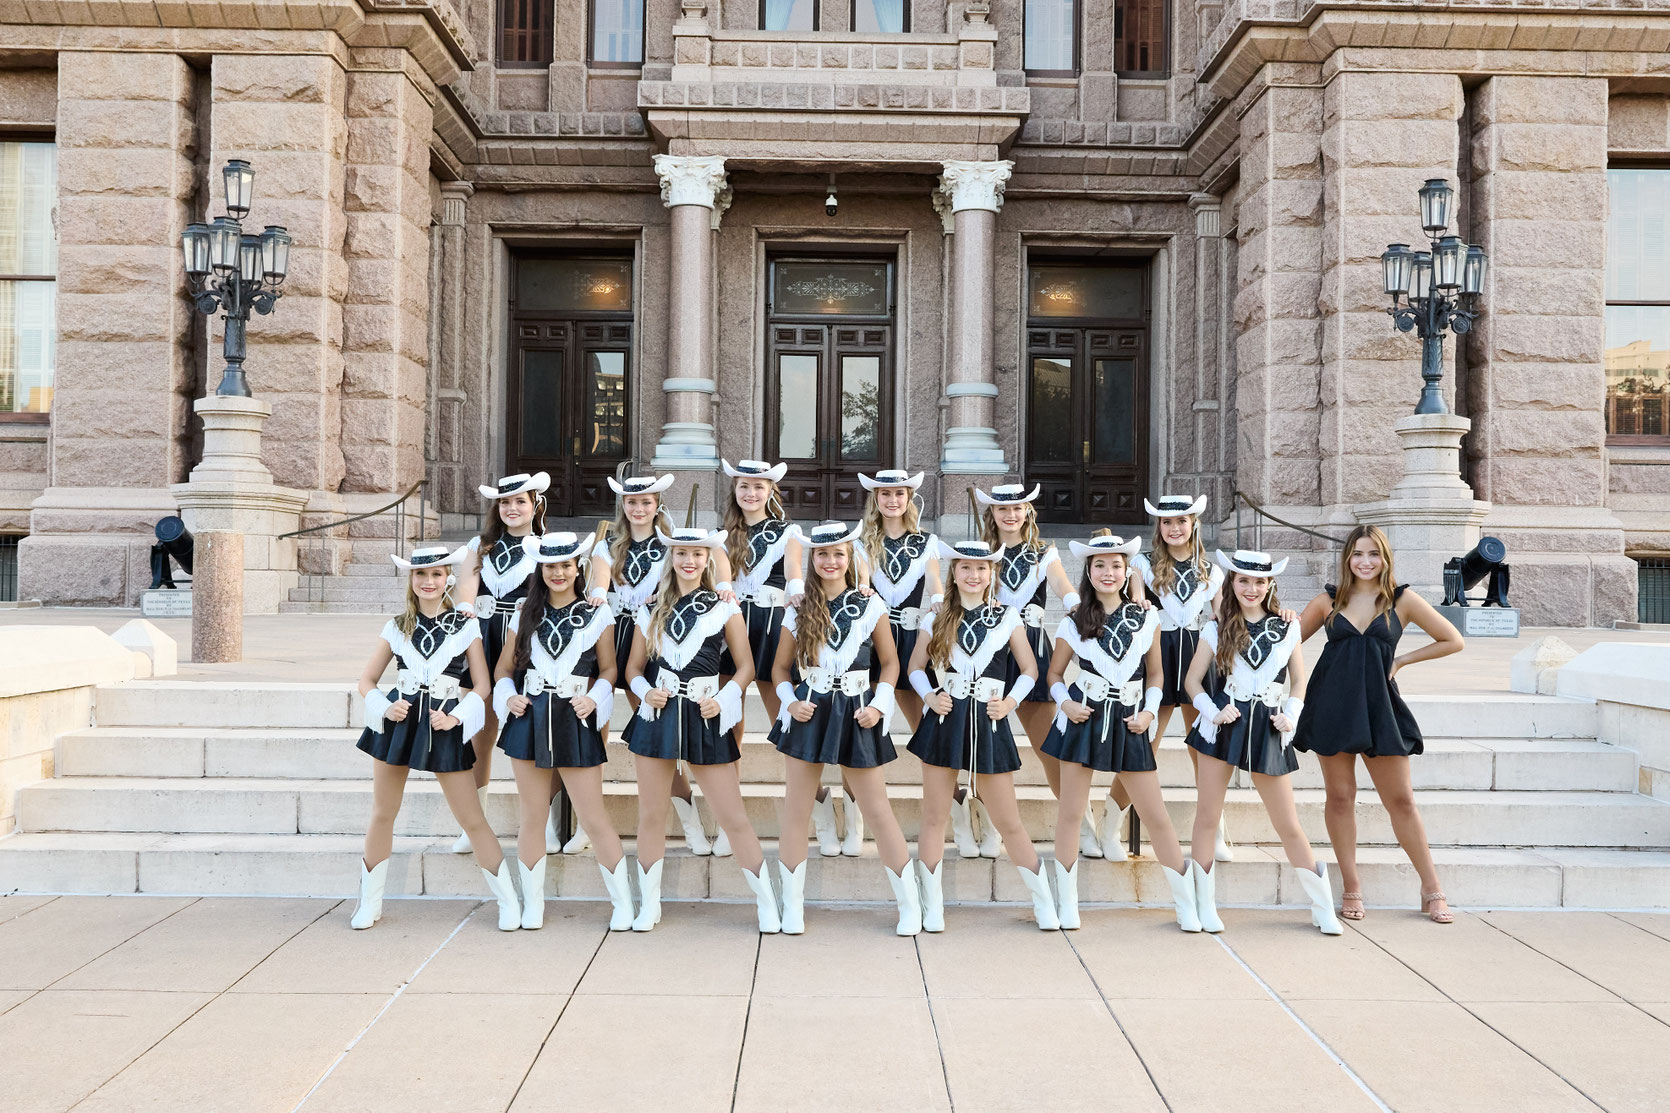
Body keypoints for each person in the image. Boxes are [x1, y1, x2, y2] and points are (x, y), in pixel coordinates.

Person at [1293, 524, 1465, 924]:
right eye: (1358, 554)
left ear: (1385, 559)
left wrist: (1402, 660)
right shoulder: (1328, 601)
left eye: (1374, 554)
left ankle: (1431, 887)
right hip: (1332, 705)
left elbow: (1452, 639)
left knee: (1401, 799)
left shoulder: (1402, 600)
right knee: (1340, 796)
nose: (1365, 562)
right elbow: (1285, 643)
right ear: (1346, 558)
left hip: (1379, 706)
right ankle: (1352, 887)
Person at [350, 546, 519, 931]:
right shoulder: (397, 625)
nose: (428, 582)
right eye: (420, 575)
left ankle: (508, 902)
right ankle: (369, 903)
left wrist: (456, 717)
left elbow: (482, 684)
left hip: (444, 723)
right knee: (382, 814)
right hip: (400, 723)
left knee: (472, 819)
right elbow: (366, 681)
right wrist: (382, 705)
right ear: (411, 581)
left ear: (448, 580)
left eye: (437, 575)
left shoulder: (466, 624)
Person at [622, 526, 781, 933]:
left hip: (706, 716)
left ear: (708, 558)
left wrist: (726, 699)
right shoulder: (650, 607)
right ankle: (649, 905)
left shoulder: (725, 607)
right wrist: (643, 692)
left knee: (733, 816)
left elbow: (745, 667)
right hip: (657, 720)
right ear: (670, 558)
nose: (688, 561)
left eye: (697, 554)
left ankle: (767, 905)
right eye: (680, 554)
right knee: (651, 816)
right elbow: (632, 669)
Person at [1041, 533, 1201, 931]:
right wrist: (1065, 703)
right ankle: (1067, 904)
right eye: (1099, 565)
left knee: (1156, 815)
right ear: (1089, 572)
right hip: (1084, 718)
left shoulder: (1147, 616)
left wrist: (1149, 712)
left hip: (1130, 720)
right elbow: (1055, 674)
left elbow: (1157, 673)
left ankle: (1187, 906)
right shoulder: (1074, 620)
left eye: (1115, 565)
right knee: (1071, 813)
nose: (1108, 572)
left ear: (1127, 569)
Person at [769, 521, 919, 936]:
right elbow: (780, 669)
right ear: (812, 560)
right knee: (796, 812)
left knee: (878, 811)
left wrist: (880, 703)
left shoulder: (870, 604)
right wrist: (790, 701)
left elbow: (890, 663)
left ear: (851, 558)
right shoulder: (798, 606)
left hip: (858, 712)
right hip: (810, 712)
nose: (831, 561)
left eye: (839, 554)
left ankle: (910, 905)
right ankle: (792, 907)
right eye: (822, 554)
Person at [1182, 550, 1342, 936]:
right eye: (1243, 581)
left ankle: (1323, 908)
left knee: (1287, 822)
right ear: (1231, 583)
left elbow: (1300, 682)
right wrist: (1212, 712)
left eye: (1259, 581)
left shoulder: (1288, 627)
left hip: (1269, 726)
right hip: (1224, 725)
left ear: (1270, 584)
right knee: (1207, 816)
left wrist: (1292, 714)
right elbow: (1190, 682)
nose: (1251, 588)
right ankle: (1201, 906)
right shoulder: (1214, 628)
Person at [906, 539, 1057, 931]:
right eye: (965, 568)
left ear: (992, 574)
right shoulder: (936, 616)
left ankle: (1044, 904)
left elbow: (1029, 670)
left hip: (990, 721)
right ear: (954, 573)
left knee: (1009, 820)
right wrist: (930, 695)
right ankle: (931, 907)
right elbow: (915, 667)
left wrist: (1009, 703)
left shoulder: (1007, 616)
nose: (974, 575)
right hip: (946, 720)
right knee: (935, 817)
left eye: (982, 568)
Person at [492, 532, 632, 931]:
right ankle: (531, 905)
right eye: (551, 566)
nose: (558, 572)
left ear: (577, 568)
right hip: (529, 719)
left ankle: (622, 903)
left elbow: (608, 669)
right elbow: (504, 670)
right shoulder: (524, 612)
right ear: (541, 569)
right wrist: (507, 696)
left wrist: (597, 697)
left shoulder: (595, 613)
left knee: (594, 818)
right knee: (532, 817)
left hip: (575, 718)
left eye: (566, 565)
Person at [582, 473, 716, 857]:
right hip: (609, 639)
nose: (638, 509)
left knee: (661, 735)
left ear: (658, 505)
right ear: (623, 506)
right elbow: (600, 581)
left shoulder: (672, 545)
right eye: (631, 502)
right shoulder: (607, 545)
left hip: (652, 639)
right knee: (593, 735)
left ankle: (690, 820)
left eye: (646, 502)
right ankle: (586, 824)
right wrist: (596, 593)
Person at [831, 467, 941, 858]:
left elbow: (937, 589)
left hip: (910, 644)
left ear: (910, 499)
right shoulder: (861, 542)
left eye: (899, 494)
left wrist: (946, 606)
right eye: (884, 494)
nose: (892, 500)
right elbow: (855, 581)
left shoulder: (928, 543)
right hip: (867, 641)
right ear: (874, 499)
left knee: (929, 729)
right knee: (855, 730)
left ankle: (956, 810)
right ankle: (854, 817)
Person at [976, 482, 1079, 857]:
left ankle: (1079, 823)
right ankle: (992, 826)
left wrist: (1079, 606)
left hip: (1033, 652)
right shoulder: (981, 554)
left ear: (1027, 512)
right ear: (992, 514)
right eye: (1003, 509)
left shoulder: (1043, 552)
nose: (1011, 515)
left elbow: (1062, 585)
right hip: (986, 652)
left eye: (1018, 508)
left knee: (1049, 747)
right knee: (986, 748)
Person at [452, 472, 550, 855]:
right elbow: (465, 590)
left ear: (534, 505)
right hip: (482, 636)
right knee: (480, 735)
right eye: (506, 503)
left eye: (520, 502)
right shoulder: (481, 545)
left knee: (535, 730)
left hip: (524, 642)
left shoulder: (544, 547)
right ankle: (474, 824)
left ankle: (547, 824)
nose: (512, 509)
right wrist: (467, 620)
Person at [714, 458, 805, 857]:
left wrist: (800, 595)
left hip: (771, 628)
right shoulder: (719, 537)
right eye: (743, 486)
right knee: (727, 724)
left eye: (758, 487)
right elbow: (717, 579)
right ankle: (728, 820)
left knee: (783, 720)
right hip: (731, 629)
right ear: (734, 490)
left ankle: (811, 805)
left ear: (771, 492)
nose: (750, 493)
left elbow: (795, 576)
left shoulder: (790, 532)